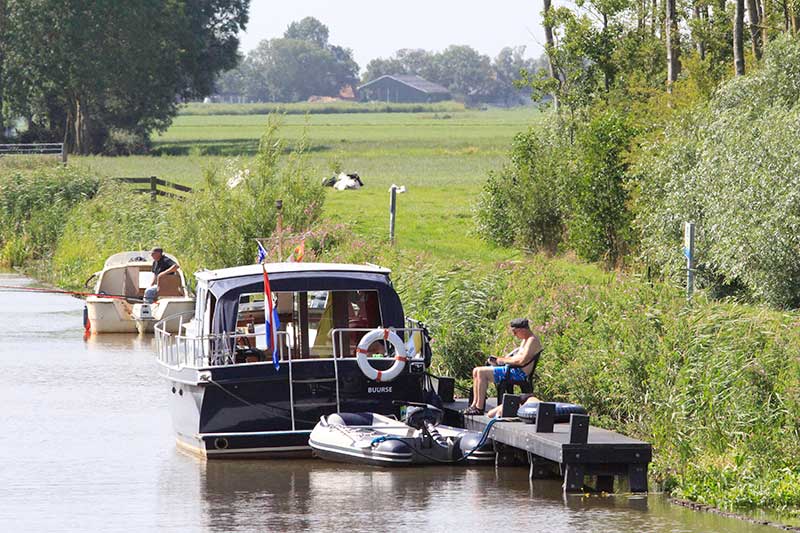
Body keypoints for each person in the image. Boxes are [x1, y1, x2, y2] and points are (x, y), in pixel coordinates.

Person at [462, 318, 542, 416]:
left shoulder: (532, 341)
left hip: (518, 374)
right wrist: (499, 360)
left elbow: (521, 361)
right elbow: (516, 358)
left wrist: (502, 360)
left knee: (481, 372)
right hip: (513, 370)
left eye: (515, 332)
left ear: (522, 330)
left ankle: (479, 407)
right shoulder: (525, 340)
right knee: (476, 370)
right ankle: (474, 405)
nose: (514, 335)